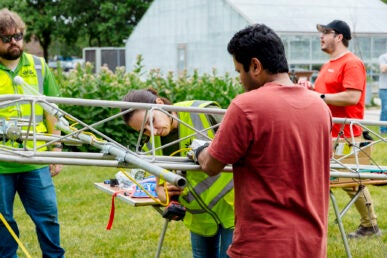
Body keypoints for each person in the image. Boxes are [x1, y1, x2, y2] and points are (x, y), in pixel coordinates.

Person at [190, 24, 332, 258]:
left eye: (239, 71)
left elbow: (211, 165)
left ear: (255, 66)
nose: (239, 80)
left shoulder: (246, 106)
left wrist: (200, 150)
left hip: (262, 244)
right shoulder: (320, 107)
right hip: (312, 243)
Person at [121, 89, 234, 258]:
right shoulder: (153, 145)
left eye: (151, 121)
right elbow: (160, 185)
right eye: (144, 131)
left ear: (159, 104)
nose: (152, 131)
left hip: (232, 208)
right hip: (199, 218)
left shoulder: (201, 113)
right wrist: (162, 193)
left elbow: (242, 148)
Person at [0, 8, 65, 257]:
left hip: (35, 157)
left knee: (48, 216)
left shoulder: (38, 66)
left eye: (18, 36)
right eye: (6, 38)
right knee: (2, 221)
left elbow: (53, 110)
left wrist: (56, 149)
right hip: (2, 163)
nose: (14, 42)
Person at [314, 19, 381, 238]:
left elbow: (353, 97)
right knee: (345, 181)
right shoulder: (327, 65)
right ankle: (369, 225)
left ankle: (369, 226)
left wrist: (319, 97)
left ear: (339, 36)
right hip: (327, 133)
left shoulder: (351, 63)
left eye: (325, 33)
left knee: (349, 181)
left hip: (346, 135)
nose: (321, 37)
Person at [378, 52, 387, 134]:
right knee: (385, 109)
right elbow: (383, 69)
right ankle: (383, 130)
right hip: (384, 88)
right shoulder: (383, 57)